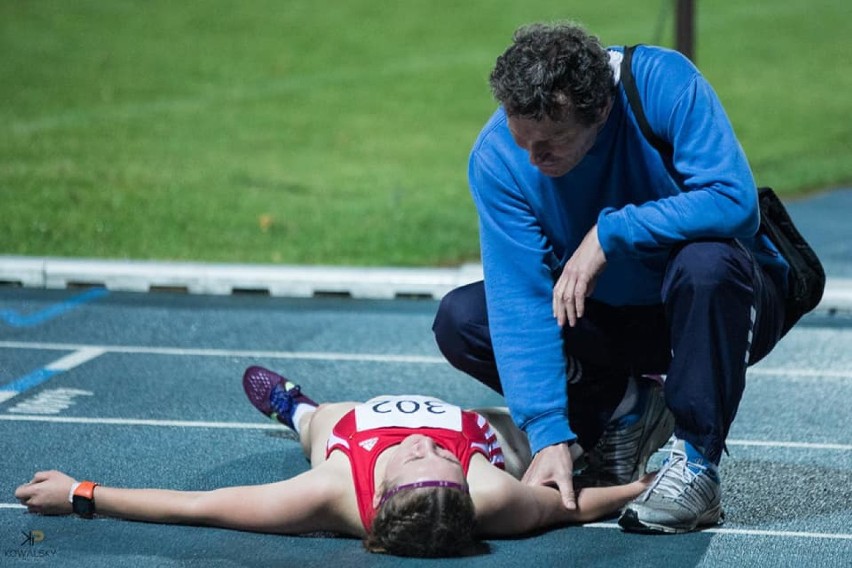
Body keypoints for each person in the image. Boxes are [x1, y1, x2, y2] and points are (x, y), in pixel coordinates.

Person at [432, 22, 789, 534]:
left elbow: (735, 201)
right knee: (464, 319)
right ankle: (627, 409)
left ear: (601, 110)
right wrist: (548, 433)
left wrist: (611, 232)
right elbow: (520, 302)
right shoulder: (498, 158)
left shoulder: (662, 83)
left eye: (551, 142)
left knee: (707, 262)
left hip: (720, 304)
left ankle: (694, 466)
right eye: (522, 139)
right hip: (611, 320)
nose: (534, 159)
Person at [16, 366, 654, 558]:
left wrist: (80, 492)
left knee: (328, 423)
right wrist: (640, 486)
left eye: (417, 458)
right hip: (480, 428)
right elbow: (568, 508)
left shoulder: (329, 491)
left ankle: (293, 409)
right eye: (438, 458)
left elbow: (198, 508)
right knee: (545, 449)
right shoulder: (492, 497)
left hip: (353, 429)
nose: (422, 444)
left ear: (377, 495)